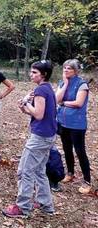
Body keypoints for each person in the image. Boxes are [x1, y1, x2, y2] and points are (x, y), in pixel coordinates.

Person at [2, 60, 56, 218]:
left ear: (44, 75)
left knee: (25, 170)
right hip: (48, 135)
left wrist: (26, 103)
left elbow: (38, 114)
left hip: (40, 137)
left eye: (35, 73)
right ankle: (45, 203)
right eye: (31, 72)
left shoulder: (41, 90)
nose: (31, 75)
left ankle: (22, 207)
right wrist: (24, 109)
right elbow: (41, 114)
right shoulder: (47, 88)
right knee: (39, 171)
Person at [55, 59, 91, 194]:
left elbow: (78, 103)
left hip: (77, 124)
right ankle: (70, 173)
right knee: (67, 149)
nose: (65, 70)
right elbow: (56, 99)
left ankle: (87, 180)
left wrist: (64, 103)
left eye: (69, 68)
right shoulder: (62, 83)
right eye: (64, 68)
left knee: (80, 151)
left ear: (75, 71)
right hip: (63, 122)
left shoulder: (82, 84)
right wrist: (64, 84)